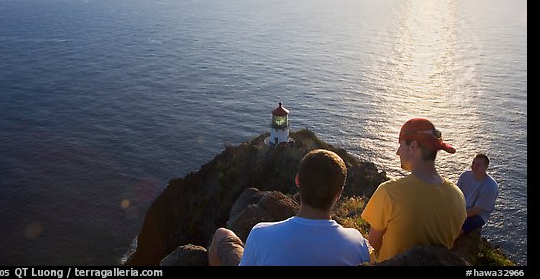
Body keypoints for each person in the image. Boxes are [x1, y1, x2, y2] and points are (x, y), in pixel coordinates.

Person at [207, 149, 371, 266]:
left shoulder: (260, 234)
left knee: (223, 234)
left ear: (298, 181)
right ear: (339, 193)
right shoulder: (357, 244)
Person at [361, 118, 467, 263]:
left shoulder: (390, 192)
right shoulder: (458, 196)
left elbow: (373, 243)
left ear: (413, 146)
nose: (398, 152)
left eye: (401, 145)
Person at [456, 153, 499, 235]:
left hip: (478, 215)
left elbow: (477, 210)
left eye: (478, 164)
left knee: (456, 230)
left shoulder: (491, 186)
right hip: (462, 208)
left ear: (486, 167)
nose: (474, 166)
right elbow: (456, 195)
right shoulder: (465, 175)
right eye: (473, 163)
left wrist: (457, 216)